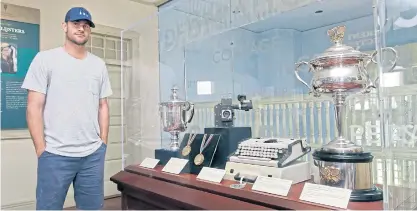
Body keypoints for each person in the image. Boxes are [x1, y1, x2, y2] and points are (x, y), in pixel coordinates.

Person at [21, 7, 112, 210]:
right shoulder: (45, 60)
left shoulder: (98, 65)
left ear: (90, 30)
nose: (81, 29)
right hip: (54, 154)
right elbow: (33, 107)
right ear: (65, 26)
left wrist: (102, 142)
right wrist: (41, 150)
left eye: (86, 25)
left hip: (92, 155)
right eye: (76, 24)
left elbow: (103, 105)